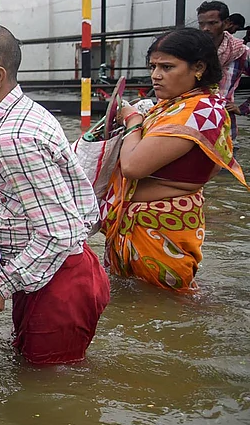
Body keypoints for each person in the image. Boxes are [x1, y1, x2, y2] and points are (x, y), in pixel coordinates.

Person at [0, 24, 109, 365]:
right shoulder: (19, 116)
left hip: (59, 282)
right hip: (50, 272)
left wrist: (1, 285)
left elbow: (58, 232)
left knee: (50, 388)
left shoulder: (14, 138)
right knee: (39, 375)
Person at [102, 28, 248, 291]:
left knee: (166, 300)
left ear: (199, 68)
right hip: (148, 222)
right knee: (148, 301)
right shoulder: (178, 105)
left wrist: (133, 121)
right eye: (153, 67)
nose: (156, 75)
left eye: (167, 67)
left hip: (160, 227)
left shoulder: (198, 110)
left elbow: (133, 166)